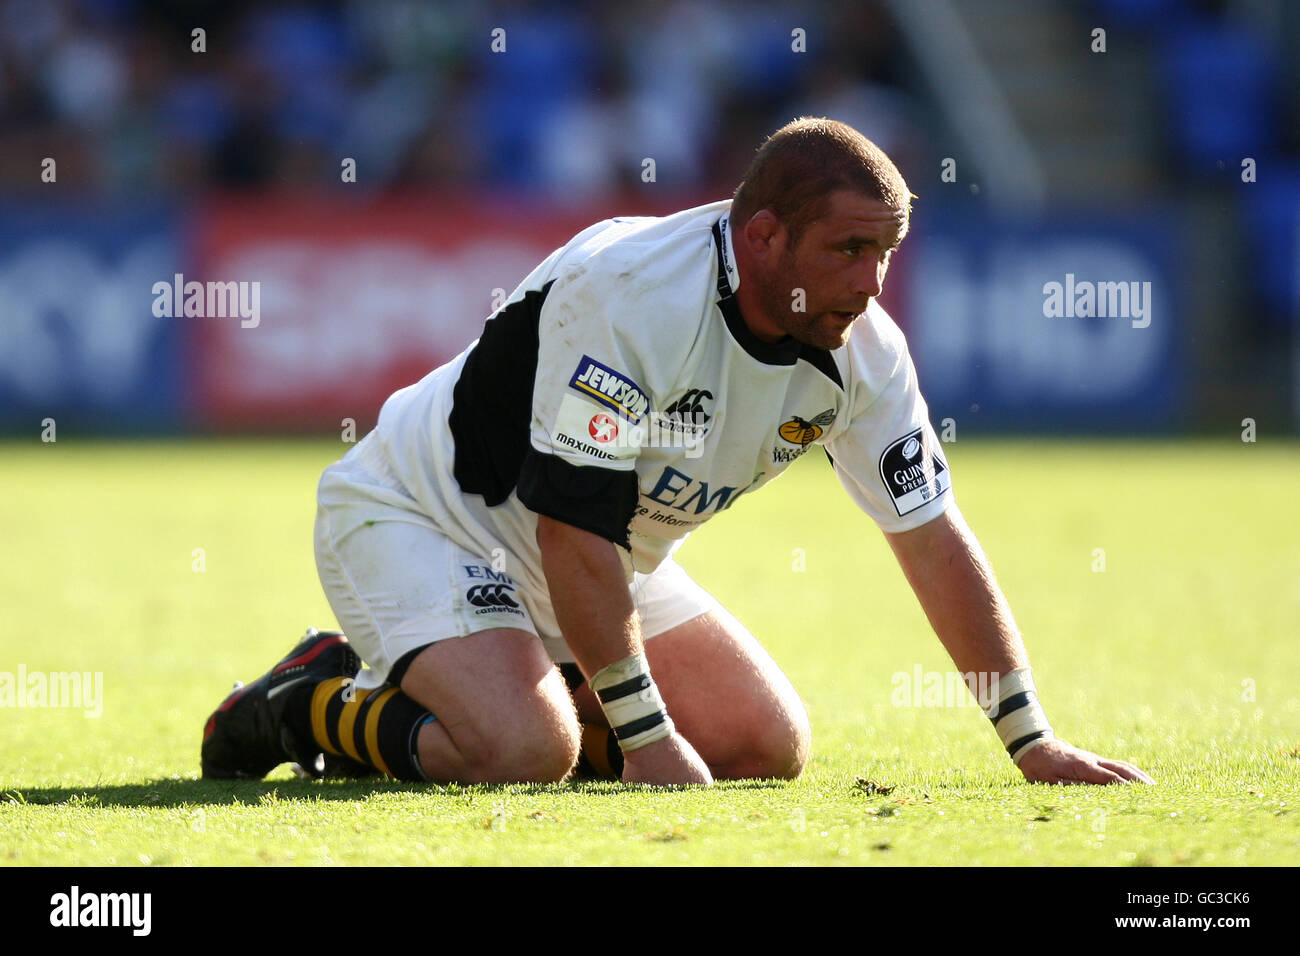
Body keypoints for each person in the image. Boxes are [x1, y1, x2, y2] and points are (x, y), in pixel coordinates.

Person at [201, 117, 1154, 788]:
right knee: (525, 752)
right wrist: (649, 737)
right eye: (850, 250)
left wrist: (1031, 740)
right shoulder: (632, 298)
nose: (872, 285)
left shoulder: (863, 351)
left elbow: (932, 538)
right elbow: (571, 529)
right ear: (766, 236)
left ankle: (527, 687)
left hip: (586, 555)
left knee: (762, 746)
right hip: (423, 520)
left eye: (887, 255)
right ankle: (308, 697)